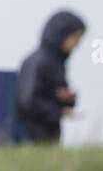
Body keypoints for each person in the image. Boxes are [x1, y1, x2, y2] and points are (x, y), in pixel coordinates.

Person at [15, 10, 86, 144]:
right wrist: (58, 111)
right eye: (75, 37)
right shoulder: (38, 61)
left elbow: (52, 95)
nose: (77, 43)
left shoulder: (58, 63)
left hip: (49, 134)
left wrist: (68, 100)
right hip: (31, 134)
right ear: (61, 34)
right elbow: (28, 100)